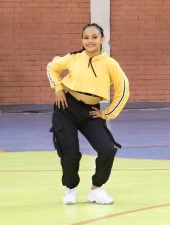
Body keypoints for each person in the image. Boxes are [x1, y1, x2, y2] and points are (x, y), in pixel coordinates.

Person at [46, 23, 130, 205]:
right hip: (66, 108)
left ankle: (96, 189)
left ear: (102, 39)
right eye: (86, 37)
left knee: (107, 149)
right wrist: (58, 88)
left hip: (91, 112)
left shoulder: (110, 63)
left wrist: (108, 113)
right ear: (82, 39)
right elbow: (52, 67)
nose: (90, 41)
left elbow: (123, 89)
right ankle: (70, 189)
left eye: (94, 37)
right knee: (69, 151)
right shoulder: (74, 58)